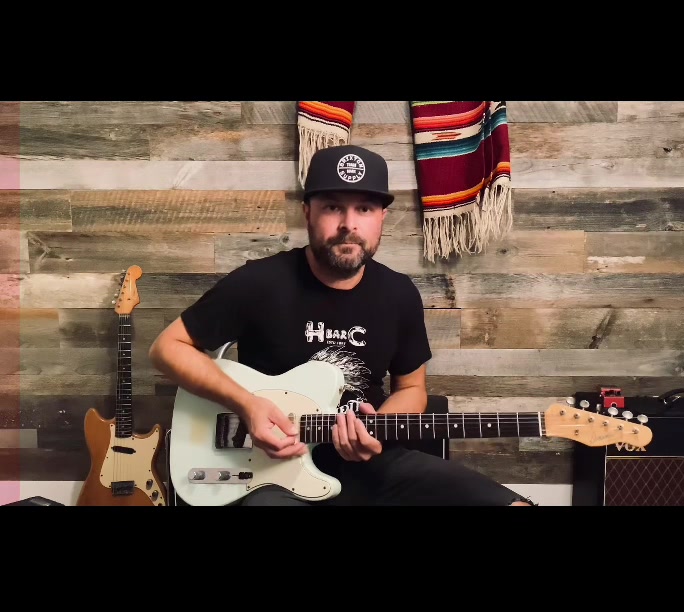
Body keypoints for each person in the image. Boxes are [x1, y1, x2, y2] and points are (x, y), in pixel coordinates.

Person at [149, 146, 534, 507]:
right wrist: (247, 405)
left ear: (381, 218)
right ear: (307, 213)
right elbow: (167, 348)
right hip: (271, 470)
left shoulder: (399, 294)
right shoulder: (259, 282)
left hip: (374, 465)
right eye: (333, 207)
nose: (349, 225)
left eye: (364, 208)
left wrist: (377, 429)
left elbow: (412, 388)